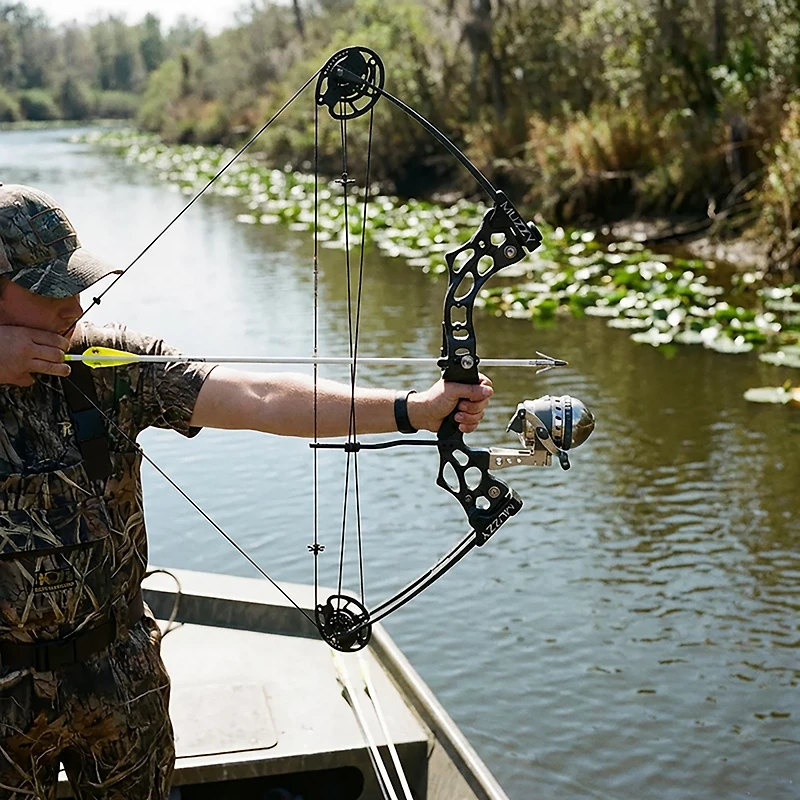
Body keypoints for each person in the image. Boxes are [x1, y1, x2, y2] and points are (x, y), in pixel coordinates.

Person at [0, 183, 493, 800]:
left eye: (75, 282)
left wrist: (412, 409)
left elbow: (259, 397)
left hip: (118, 679)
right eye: (49, 290)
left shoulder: (106, 362)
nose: (74, 303)